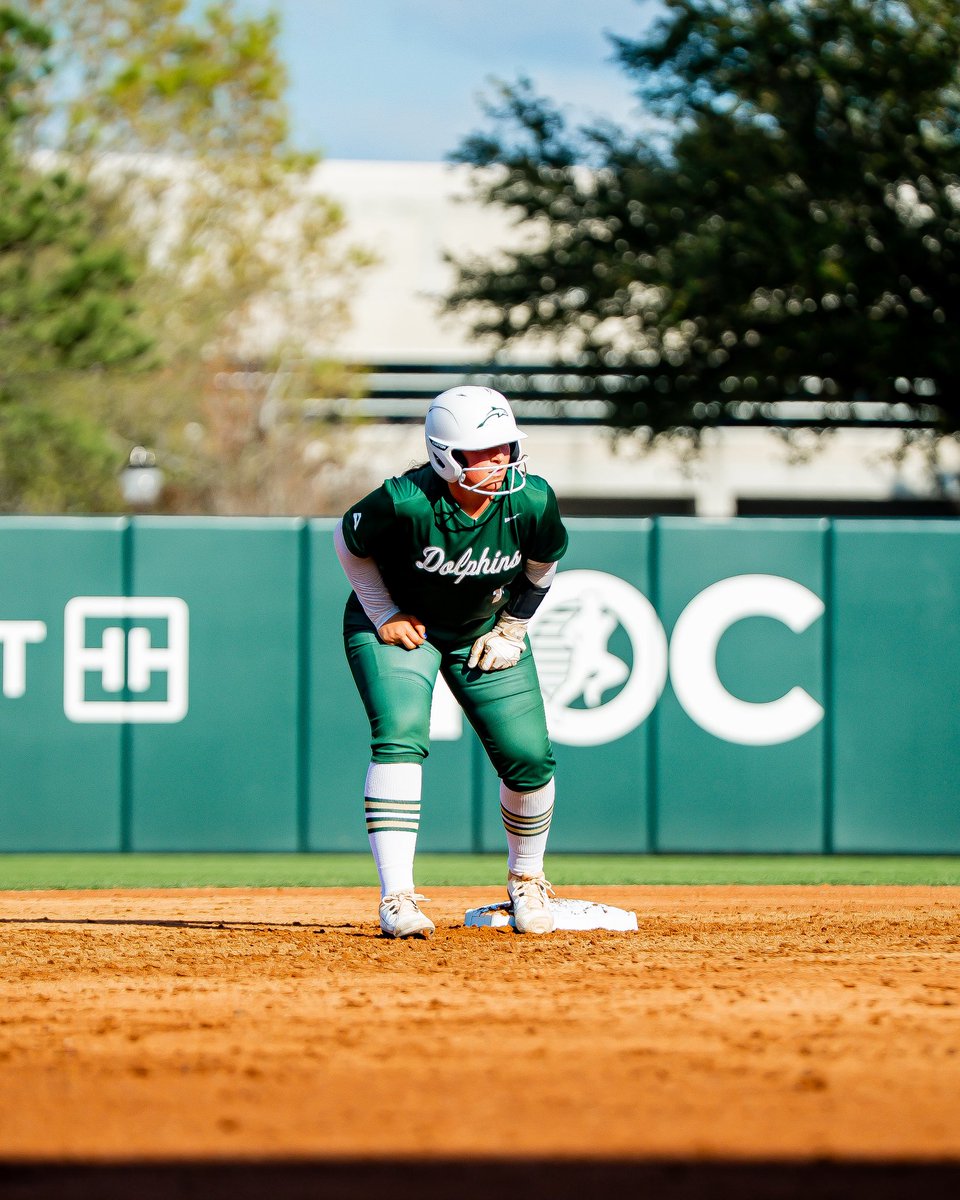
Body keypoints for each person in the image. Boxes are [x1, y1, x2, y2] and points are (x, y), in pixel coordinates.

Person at [334, 385, 569, 938]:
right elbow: (350, 542)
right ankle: (397, 897)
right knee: (401, 734)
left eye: (505, 447)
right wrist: (382, 608)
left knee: (528, 754)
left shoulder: (531, 499)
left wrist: (513, 626)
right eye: (481, 452)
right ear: (443, 455)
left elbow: (543, 564)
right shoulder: (404, 501)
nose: (500, 461)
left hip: (483, 627)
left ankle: (527, 879)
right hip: (403, 625)